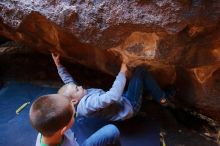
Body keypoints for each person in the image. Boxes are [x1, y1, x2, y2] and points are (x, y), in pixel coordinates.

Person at [52, 52, 175, 121]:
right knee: (140, 72)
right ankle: (163, 99)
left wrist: (59, 66)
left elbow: (69, 82)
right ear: (74, 100)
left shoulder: (77, 99)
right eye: (77, 89)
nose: (79, 86)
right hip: (129, 106)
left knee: (136, 82)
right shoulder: (88, 104)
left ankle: (149, 92)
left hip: (122, 101)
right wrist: (122, 73)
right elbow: (113, 96)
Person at [29, 94, 121, 146]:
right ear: (64, 129)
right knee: (112, 130)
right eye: (74, 115)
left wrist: (68, 104)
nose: (75, 114)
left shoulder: (46, 127)